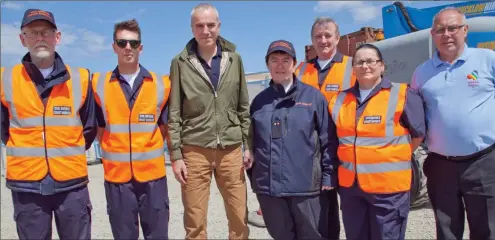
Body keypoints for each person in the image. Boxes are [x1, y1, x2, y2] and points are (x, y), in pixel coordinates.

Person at [0, 9, 96, 239]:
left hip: (72, 184)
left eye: (46, 32)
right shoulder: (6, 80)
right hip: (26, 184)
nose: (40, 38)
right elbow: (4, 129)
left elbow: (89, 128)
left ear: (57, 37)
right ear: (22, 39)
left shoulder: (81, 79)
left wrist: (64, 152)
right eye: (32, 33)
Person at [411, 7, 495, 240]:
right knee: (446, 231)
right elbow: (415, 117)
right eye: (440, 30)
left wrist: (487, 132)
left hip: (483, 162)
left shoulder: (488, 60)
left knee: (485, 230)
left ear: (465, 30)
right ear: (432, 35)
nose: (447, 34)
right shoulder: (421, 73)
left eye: (453, 28)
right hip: (440, 165)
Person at [168, 3, 251, 239]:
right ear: (192, 28)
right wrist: (176, 155)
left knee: (239, 216)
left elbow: (243, 106)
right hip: (194, 149)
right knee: (194, 220)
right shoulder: (180, 63)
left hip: (231, 149)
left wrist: (249, 146)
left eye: (211, 25)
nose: (206, 30)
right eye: (200, 25)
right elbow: (174, 112)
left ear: (219, 26)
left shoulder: (235, 60)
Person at [328, 43, 426, 240]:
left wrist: (392, 158)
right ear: (353, 68)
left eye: (371, 61)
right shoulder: (338, 100)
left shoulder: (402, 94)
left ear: (382, 66)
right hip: (351, 189)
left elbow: (418, 135)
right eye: (360, 62)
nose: (365, 66)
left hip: (389, 190)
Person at [248, 39, 338, 240]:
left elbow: (328, 140)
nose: (280, 65)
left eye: (285, 60)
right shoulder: (259, 102)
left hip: (305, 188)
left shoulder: (313, 97)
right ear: (267, 65)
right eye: (274, 60)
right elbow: (250, 143)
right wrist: (256, 179)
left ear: (295, 64)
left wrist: (328, 175)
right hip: (270, 190)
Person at [91, 19, 171, 239]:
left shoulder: (161, 84)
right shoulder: (98, 84)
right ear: (114, 46)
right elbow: (99, 128)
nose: (128, 47)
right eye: (122, 42)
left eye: (133, 43)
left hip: (153, 178)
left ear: (141, 47)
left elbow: (164, 128)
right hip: (117, 179)